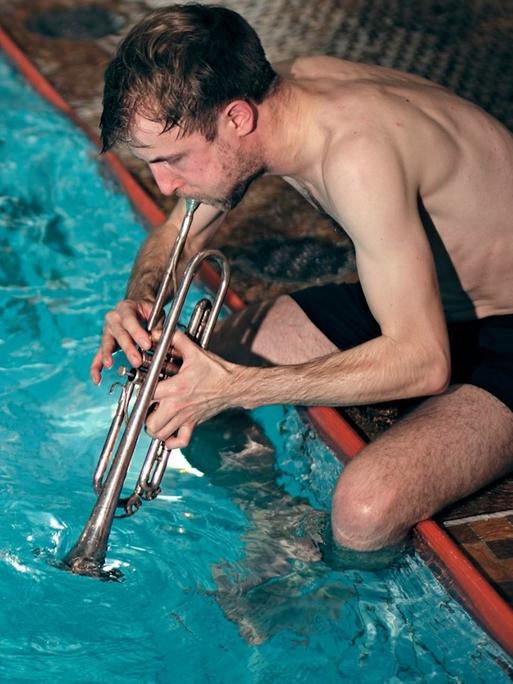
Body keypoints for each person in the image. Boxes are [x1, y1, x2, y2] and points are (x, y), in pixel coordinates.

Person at [91, 4, 513, 553]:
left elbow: (424, 362)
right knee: (180, 382)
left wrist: (235, 387)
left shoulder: (358, 155)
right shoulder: (276, 94)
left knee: (365, 511)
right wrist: (140, 302)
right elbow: (178, 236)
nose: (164, 183)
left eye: (173, 160)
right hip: (431, 292)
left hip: (500, 325)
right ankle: (276, 532)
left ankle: (326, 598)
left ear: (236, 119)